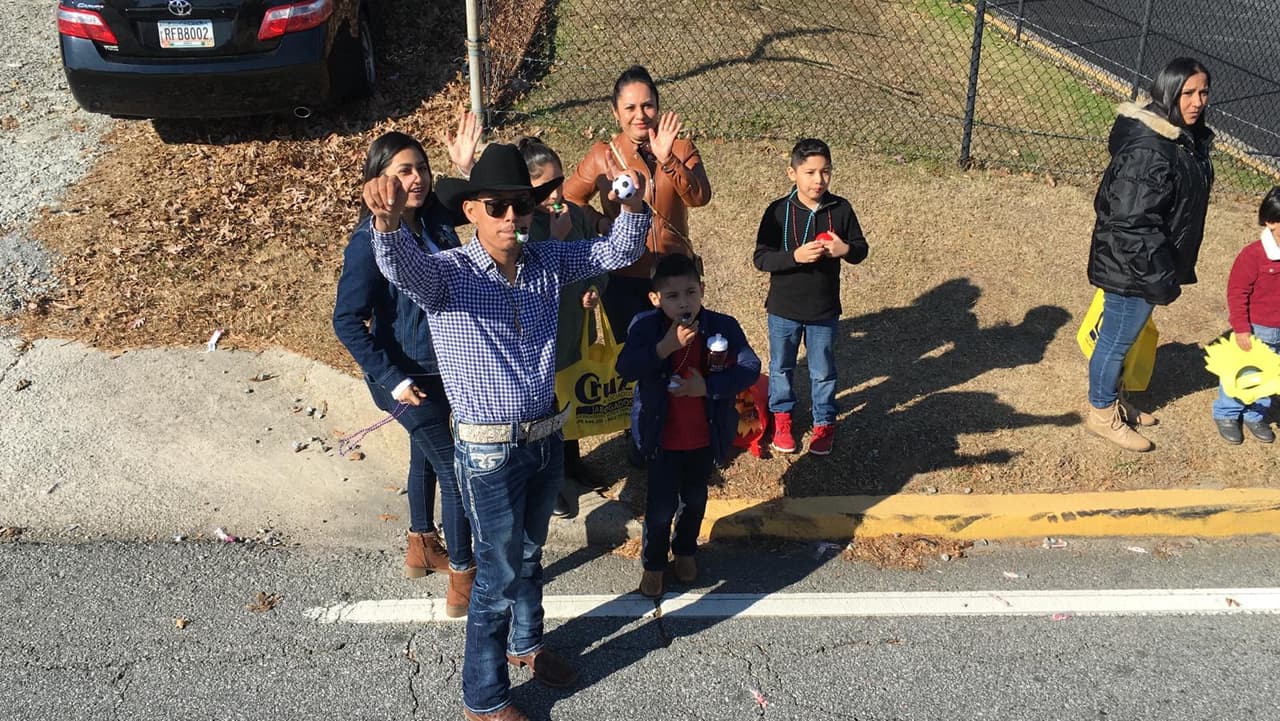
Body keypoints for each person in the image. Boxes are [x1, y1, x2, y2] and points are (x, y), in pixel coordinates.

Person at [362, 143, 651, 721]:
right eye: (496, 207)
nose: (510, 219)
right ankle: (484, 697)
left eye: (520, 206)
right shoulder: (446, 276)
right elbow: (400, 266)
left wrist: (635, 205)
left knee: (529, 552)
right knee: (496, 576)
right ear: (470, 211)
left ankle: (528, 645)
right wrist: (388, 222)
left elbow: (618, 249)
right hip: (487, 450)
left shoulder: (547, 261)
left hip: (544, 438)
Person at [332, 119, 479, 618]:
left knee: (428, 454)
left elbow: (469, 198)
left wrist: (465, 168)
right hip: (402, 376)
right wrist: (393, 380)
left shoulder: (431, 216)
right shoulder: (367, 243)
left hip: (444, 368)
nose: (416, 180)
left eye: (422, 169)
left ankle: (421, 545)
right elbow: (347, 322)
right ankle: (464, 575)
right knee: (456, 469)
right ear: (378, 181)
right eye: (403, 172)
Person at [1085, 57, 1214, 452]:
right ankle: (1100, 414)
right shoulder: (1151, 149)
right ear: (1166, 93)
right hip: (1134, 266)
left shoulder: (1179, 138)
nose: (1197, 102)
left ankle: (1114, 400)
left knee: (1126, 337)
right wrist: (1158, 275)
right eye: (1187, 93)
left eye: (1203, 92)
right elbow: (1130, 223)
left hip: (1148, 264)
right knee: (1115, 341)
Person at [616, 253, 760, 598]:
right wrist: (664, 347)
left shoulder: (722, 325)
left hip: (705, 435)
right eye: (673, 296)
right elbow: (626, 367)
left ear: (702, 290)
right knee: (661, 505)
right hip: (662, 436)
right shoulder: (644, 326)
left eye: (691, 293)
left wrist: (707, 387)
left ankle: (685, 550)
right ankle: (653, 564)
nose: (684, 303)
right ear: (655, 299)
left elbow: (750, 365)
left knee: (695, 499)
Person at [563, 64, 712, 344]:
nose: (640, 115)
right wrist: (600, 222)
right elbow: (569, 198)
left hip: (676, 275)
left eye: (647, 106)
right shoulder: (602, 156)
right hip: (625, 275)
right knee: (632, 357)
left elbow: (700, 197)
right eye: (630, 108)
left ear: (657, 106)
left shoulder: (681, 149)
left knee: (681, 352)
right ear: (616, 113)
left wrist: (668, 160)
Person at [752, 138, 868, 456]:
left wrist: (844, 249)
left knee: (823, 371)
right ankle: (783, 418)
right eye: (810, 172)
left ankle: (824, 423)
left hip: (823, 311)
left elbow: (861, 249)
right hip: (783, 310)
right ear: (792, 173)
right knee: (782, 368)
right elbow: (761, 258)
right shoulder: (778, 211)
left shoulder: (840, 209)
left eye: (825, 172)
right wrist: (795, 256)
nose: (818, 180)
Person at [518, 136, 610, 515]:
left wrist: (593, 288)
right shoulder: (522, 225)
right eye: (546, 185)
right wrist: (553, 238)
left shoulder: (574, 214)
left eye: (560, 180)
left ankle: (571, 463)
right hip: (540, 335)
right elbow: (520, 274)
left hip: (573, 326)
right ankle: (548, 480)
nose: (557, 191)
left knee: (568, 400)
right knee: (543, 412)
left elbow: (597, 259)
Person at [1211, 187, 1280, 444]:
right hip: (1257, 329)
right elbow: (1237, 293)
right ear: (1271, 222)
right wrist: (1241, 328)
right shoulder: (1254, 255)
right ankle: (1227, 412)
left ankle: (1255, 414)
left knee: (1269, 374)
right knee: (1241, 372)